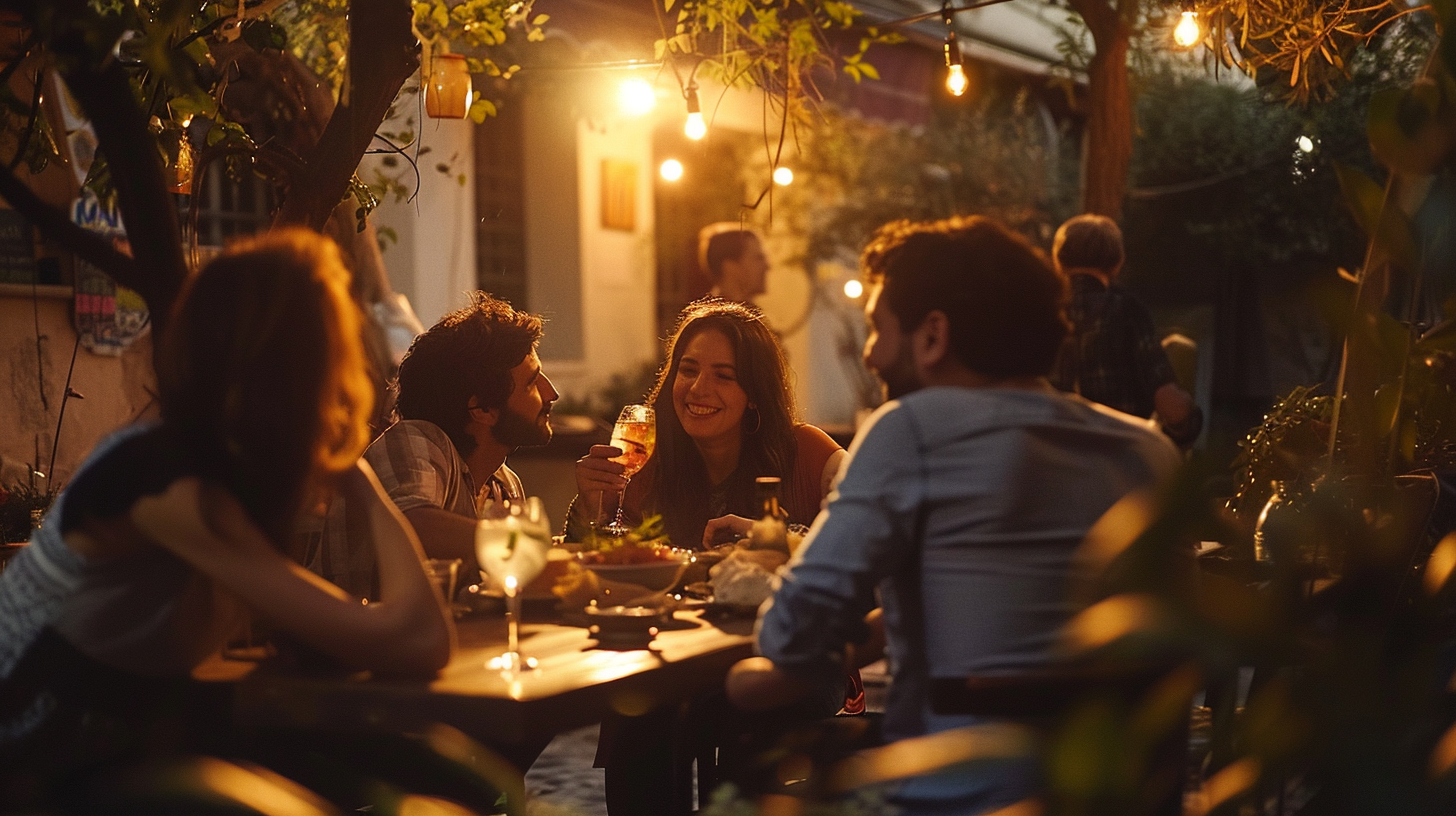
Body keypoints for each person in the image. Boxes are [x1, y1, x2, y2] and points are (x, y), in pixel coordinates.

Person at [725, 216, 1182, 814]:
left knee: (749, 725)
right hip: (1121, 797)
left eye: (877, 330)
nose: (870, 354)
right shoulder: (1149, 451)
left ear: (932, 336)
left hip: (954, 796)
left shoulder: (910, 428)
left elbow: (788, 631)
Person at [0, 230, 452, 795]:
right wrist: (360, 483)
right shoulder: (172, 484)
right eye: (336, 342)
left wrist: (355, 476)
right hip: (39, 756)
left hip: (130, 737)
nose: (352, 363)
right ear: (296, 363)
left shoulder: (228, 469)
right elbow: (418, 642)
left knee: (440, 774)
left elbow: (420, 639)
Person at [301, 293, 558, 599]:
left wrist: (590, 511)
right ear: (483, 410)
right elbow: (410, 523)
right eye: (532, 383)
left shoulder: (504, 484)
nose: (552, 393)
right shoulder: (415, 440)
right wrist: (517, 541)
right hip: (353, 641)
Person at [567, 298, 843, 549]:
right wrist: (590, 511)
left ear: (755, 394)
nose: (698, 388)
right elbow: (613, 563)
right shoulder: (649, 462)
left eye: (723, 376)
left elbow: (874, 538)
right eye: (688, 370)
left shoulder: (807, 451)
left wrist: (778, 538)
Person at [1048, 214, 1201, 446]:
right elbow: (1170, 406)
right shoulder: (1127, 309)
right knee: (1181, 349)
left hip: (1051, 456)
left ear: (1059, 260)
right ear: (1117, 262)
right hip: (1119, 459)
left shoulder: (1042, 311)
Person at [699, 223, 770, 304]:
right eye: (758, 258)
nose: (767, 266)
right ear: (730, 267)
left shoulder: (752, 314)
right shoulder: (715, 316)